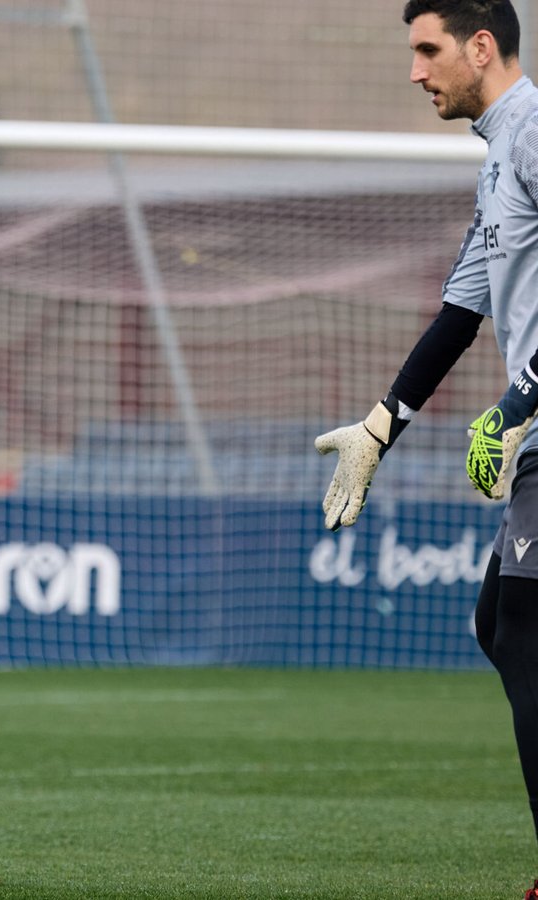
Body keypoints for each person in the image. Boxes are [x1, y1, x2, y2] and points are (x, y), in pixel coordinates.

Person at [317, 3, 538, 895]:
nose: (415, 70)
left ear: (481, 46)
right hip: (535, 433)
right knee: (500, 624)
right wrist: (380, 428)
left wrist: (522, 395)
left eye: (428, 49)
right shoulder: (498, 161)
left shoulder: (531, 133)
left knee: (524, 635)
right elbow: (462, 309)